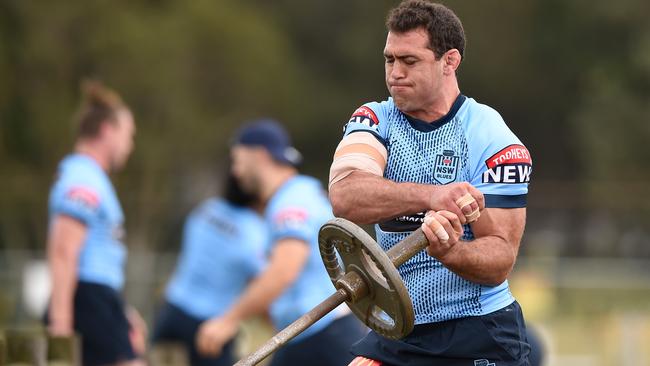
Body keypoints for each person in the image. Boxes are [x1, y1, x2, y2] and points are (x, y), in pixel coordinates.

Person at [328, 1, 533, 365]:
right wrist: (434, 196)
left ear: (449, 61)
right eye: (390, 60)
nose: (395, 74)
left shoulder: (493, 138)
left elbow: (500, 258)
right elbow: (346, 196)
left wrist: (450, 252)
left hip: (476, 332)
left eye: (410, 61)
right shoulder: (375, 119)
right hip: (397, 330)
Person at [196, 119, 366, 366]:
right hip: (310, 334)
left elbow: (283, 271)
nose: (235, 171)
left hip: (321, 336)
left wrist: (228, 320)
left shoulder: (291, 201)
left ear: (259, 155)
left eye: (238, 160)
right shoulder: (299, 193)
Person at [46, 80, 146, 366]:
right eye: (128, 135)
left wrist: (121, 310)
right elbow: (64, 251)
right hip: (88, 299)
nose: (130, 145)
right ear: (107, 131)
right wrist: (61, 325)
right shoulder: (83, 178)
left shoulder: (92, 178)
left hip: (100, 299)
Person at [151, 173, 268, 366]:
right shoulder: (254, 231)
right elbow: (264, 282)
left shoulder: (206, 209)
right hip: (210, 327)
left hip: (171, 310)